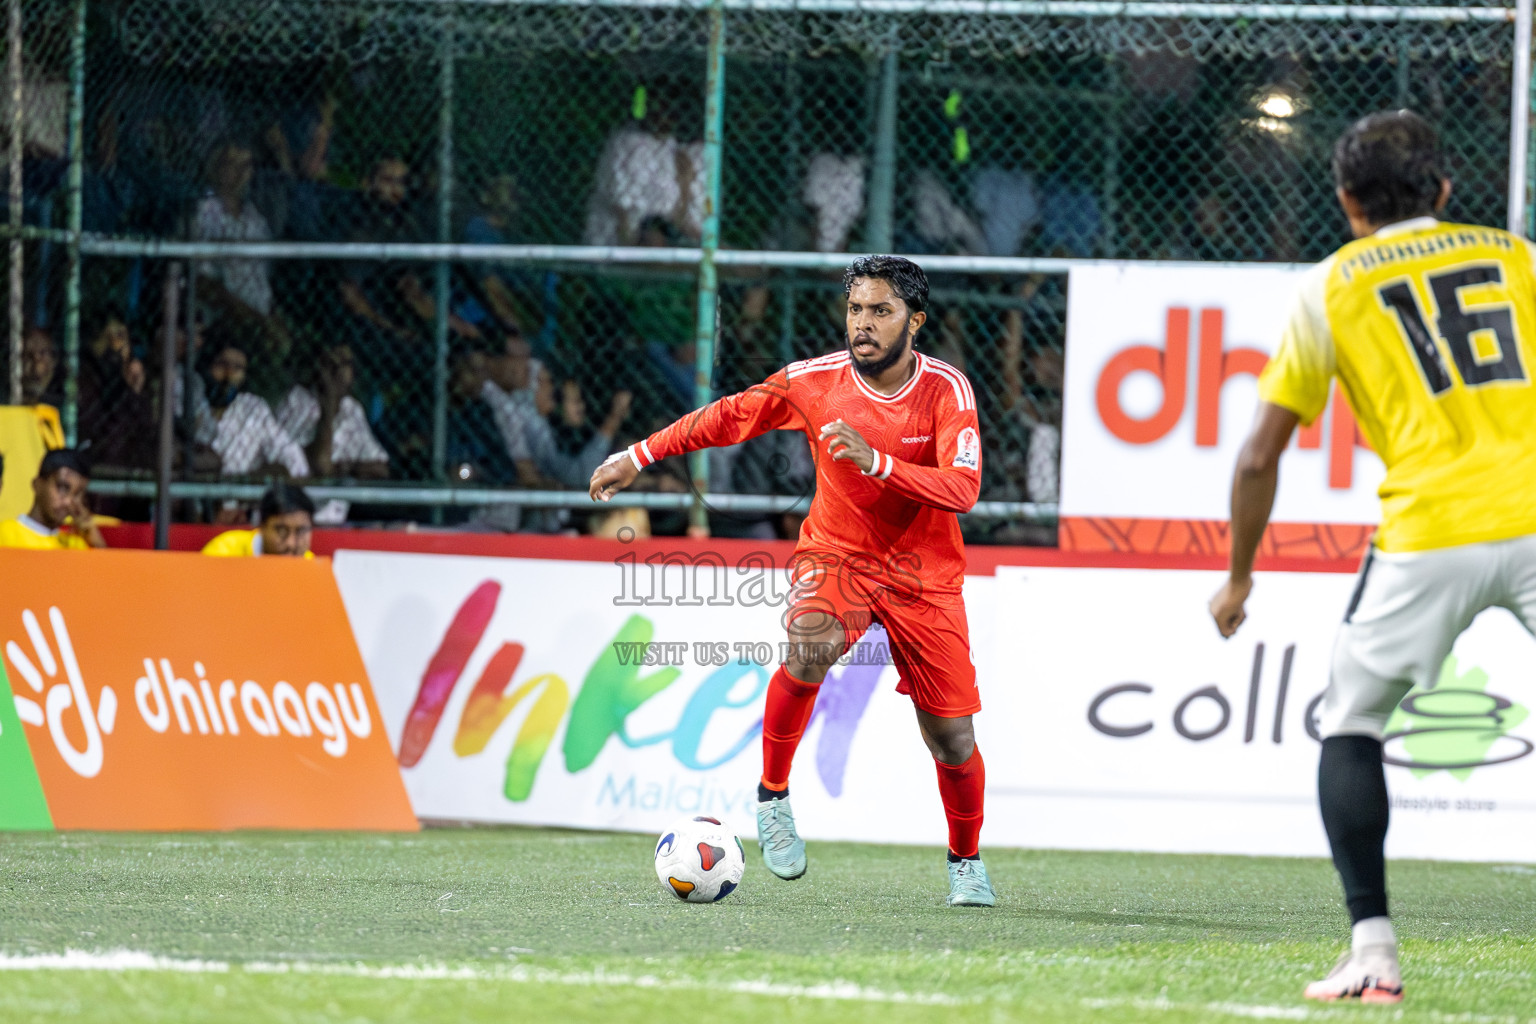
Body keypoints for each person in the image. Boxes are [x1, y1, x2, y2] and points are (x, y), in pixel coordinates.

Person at [1208, 111, 1536, 1004]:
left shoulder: (1329, 286)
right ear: (1443, 191)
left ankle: (1374, 956)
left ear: (1348, 201)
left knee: (1352, 722)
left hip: (1430, 530)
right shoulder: (1517, 257)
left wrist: (1240, 573)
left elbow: (1256, 456)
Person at [590, 255, 994, 907]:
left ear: (914, 321)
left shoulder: (947, 390)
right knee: (810, 645)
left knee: (953, 737)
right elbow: (728, 416)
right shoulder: (815, 382)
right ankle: (772, 796)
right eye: (855, 309)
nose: (863, 324)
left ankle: (966, 860)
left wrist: (880, 463)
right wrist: (640, 454)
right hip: (837, 557)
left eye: (880, 311)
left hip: (926, 576)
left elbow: (963, 487)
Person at [275, 344, 389, 479]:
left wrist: (342, 468)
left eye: (345, 364)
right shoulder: (297, 399)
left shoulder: (352, 407)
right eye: (331, 364)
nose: (338, 370)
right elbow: (318, 464)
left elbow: (380, 468)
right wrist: (328, 409)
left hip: (338, 497)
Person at [203, 340, 309, 478]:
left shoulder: (252, 407)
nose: (229, 373)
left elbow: (287, 451)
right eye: (222, 364)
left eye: (237, 367)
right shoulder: (191, 400)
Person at [0, 449, 106, 550]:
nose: (68, 502)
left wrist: (94, 539)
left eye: (77, 494)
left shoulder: (76, 545)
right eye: (62, 488)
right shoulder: (4, 534)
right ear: (37, 484)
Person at [202, 482, 315, 558]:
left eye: (301, 531)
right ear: (262, 526)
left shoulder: (310, 563)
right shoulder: (223, 553)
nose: (291, 543)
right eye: (281, 531)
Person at [19, 326, 64, 409]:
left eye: (43, 354)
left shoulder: (62, 407)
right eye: (27, 356)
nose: (36, 369)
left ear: (54, 361)